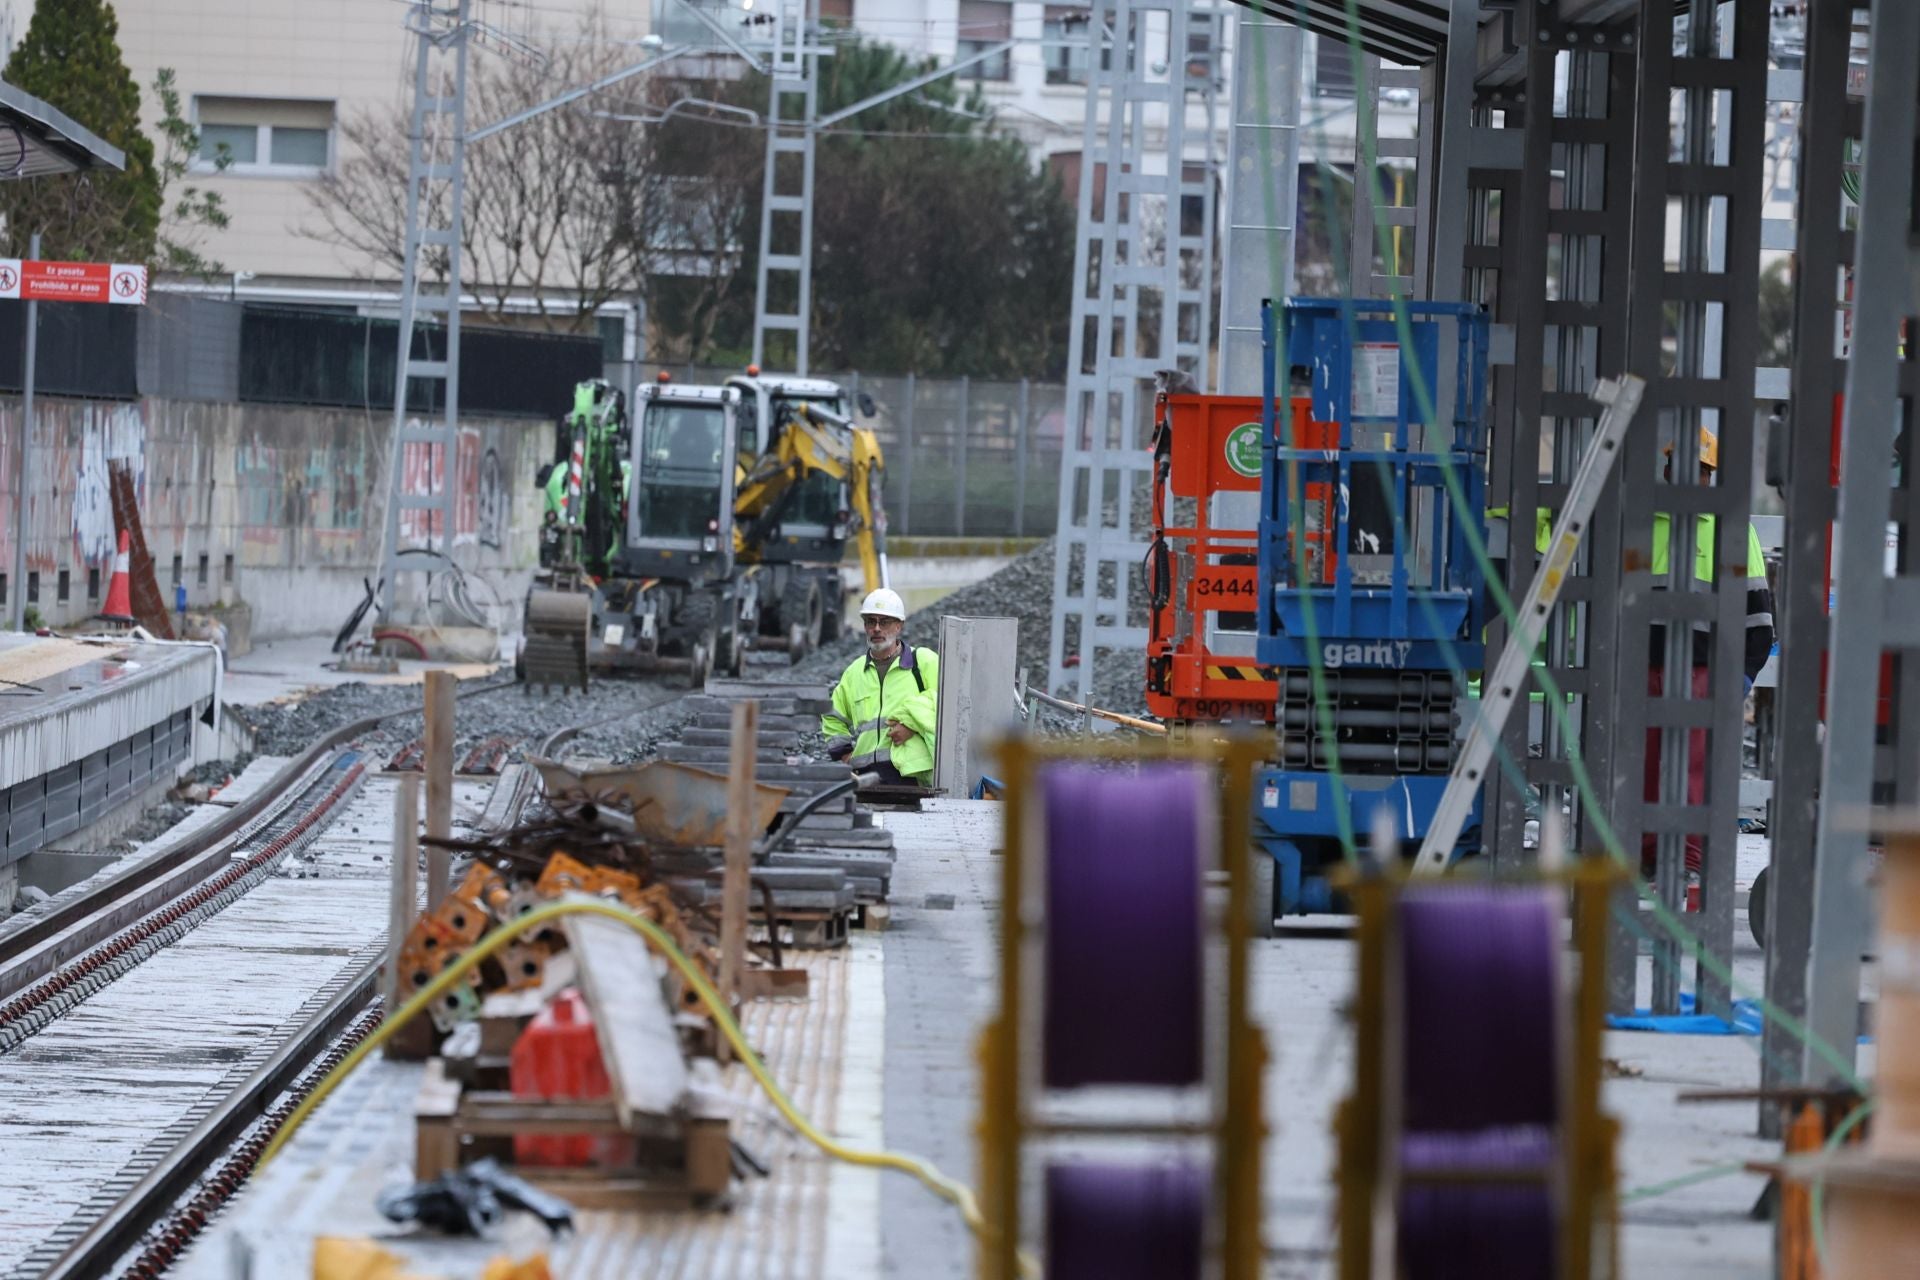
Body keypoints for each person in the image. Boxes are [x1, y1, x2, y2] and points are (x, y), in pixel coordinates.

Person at [1642, 425, 1776, 888]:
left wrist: (1740, 675)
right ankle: (1647, 858)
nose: (1691, 478)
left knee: (1694, 769)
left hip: (1702, 671)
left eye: (1701, 470)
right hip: (1642, 668)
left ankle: (1690, 863)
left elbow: (1759, 614)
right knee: (1641, 763)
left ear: (1709, 476)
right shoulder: (1638, 520)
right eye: (1683, 468)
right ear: (1665, 468)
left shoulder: (1731, 529)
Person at [821, 588, 939, 787]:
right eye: (870, 621)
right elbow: (833, 715)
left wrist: (911, 724)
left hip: (911, 776)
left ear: (899, 626)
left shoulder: (923, 662)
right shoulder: (855, 672)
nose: (876, 628)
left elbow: (947, 703)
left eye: (884, 622)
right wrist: (843, 755)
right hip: (866, 777)